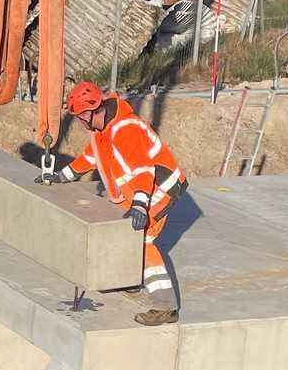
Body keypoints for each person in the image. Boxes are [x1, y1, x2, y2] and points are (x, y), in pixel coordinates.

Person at [43, 81, 188, 326]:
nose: (79, 121)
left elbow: (144, 170)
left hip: (160, 187)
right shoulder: (101, 131)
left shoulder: (125, 129)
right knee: (120, 231)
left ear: (88, 114)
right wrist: (61, 176)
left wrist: (140, 206)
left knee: (142, 240)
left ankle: (166, 307)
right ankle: (130, 279)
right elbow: (90, 158)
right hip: (139, 189)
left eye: (79, 117)